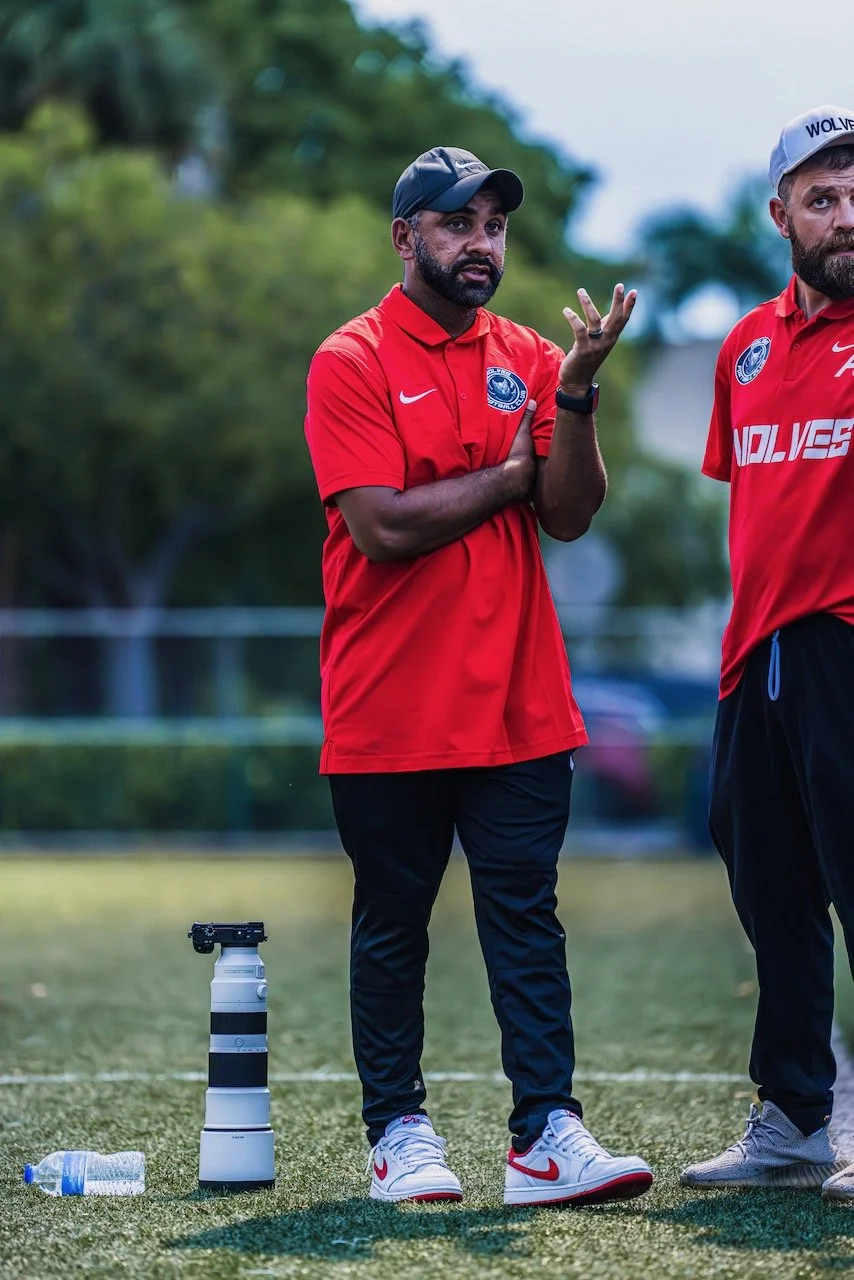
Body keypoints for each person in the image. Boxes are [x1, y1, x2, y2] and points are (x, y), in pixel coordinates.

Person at [303, 146, 653, 1206]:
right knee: (391, 921)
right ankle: (398, 1133)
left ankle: (544, 1133)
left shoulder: (534, 356)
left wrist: (578, 393)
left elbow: (568, 511)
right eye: (456, 224)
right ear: (405, 238)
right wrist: (506, 473)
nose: (480, 242)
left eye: (493, 225)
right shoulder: (349, 358)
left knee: (524, 917)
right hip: (388, 703)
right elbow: (381, 525)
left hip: (518, 700)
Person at [681, 105, 854, 1200]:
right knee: (771, 887)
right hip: (759, 654)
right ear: (778, 214)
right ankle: (795, 1116)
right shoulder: (743, 346)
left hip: (846, 638)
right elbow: (752, 499)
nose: (846, 219)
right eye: (823, 199)